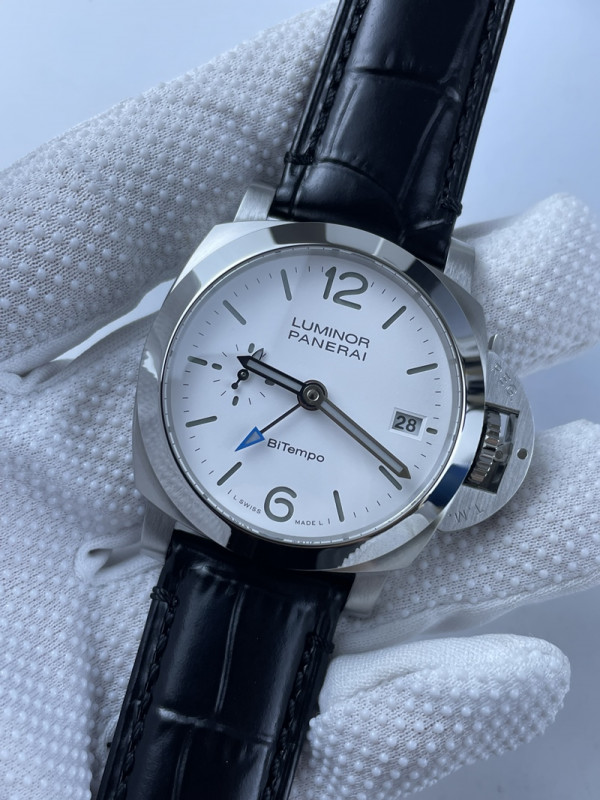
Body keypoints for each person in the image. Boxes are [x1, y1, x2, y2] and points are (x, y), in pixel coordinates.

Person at [0, 6, 599, 799]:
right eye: (304, 387)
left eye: (314, 391)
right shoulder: (232, 291)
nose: (313, 393)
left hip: (295, 536)